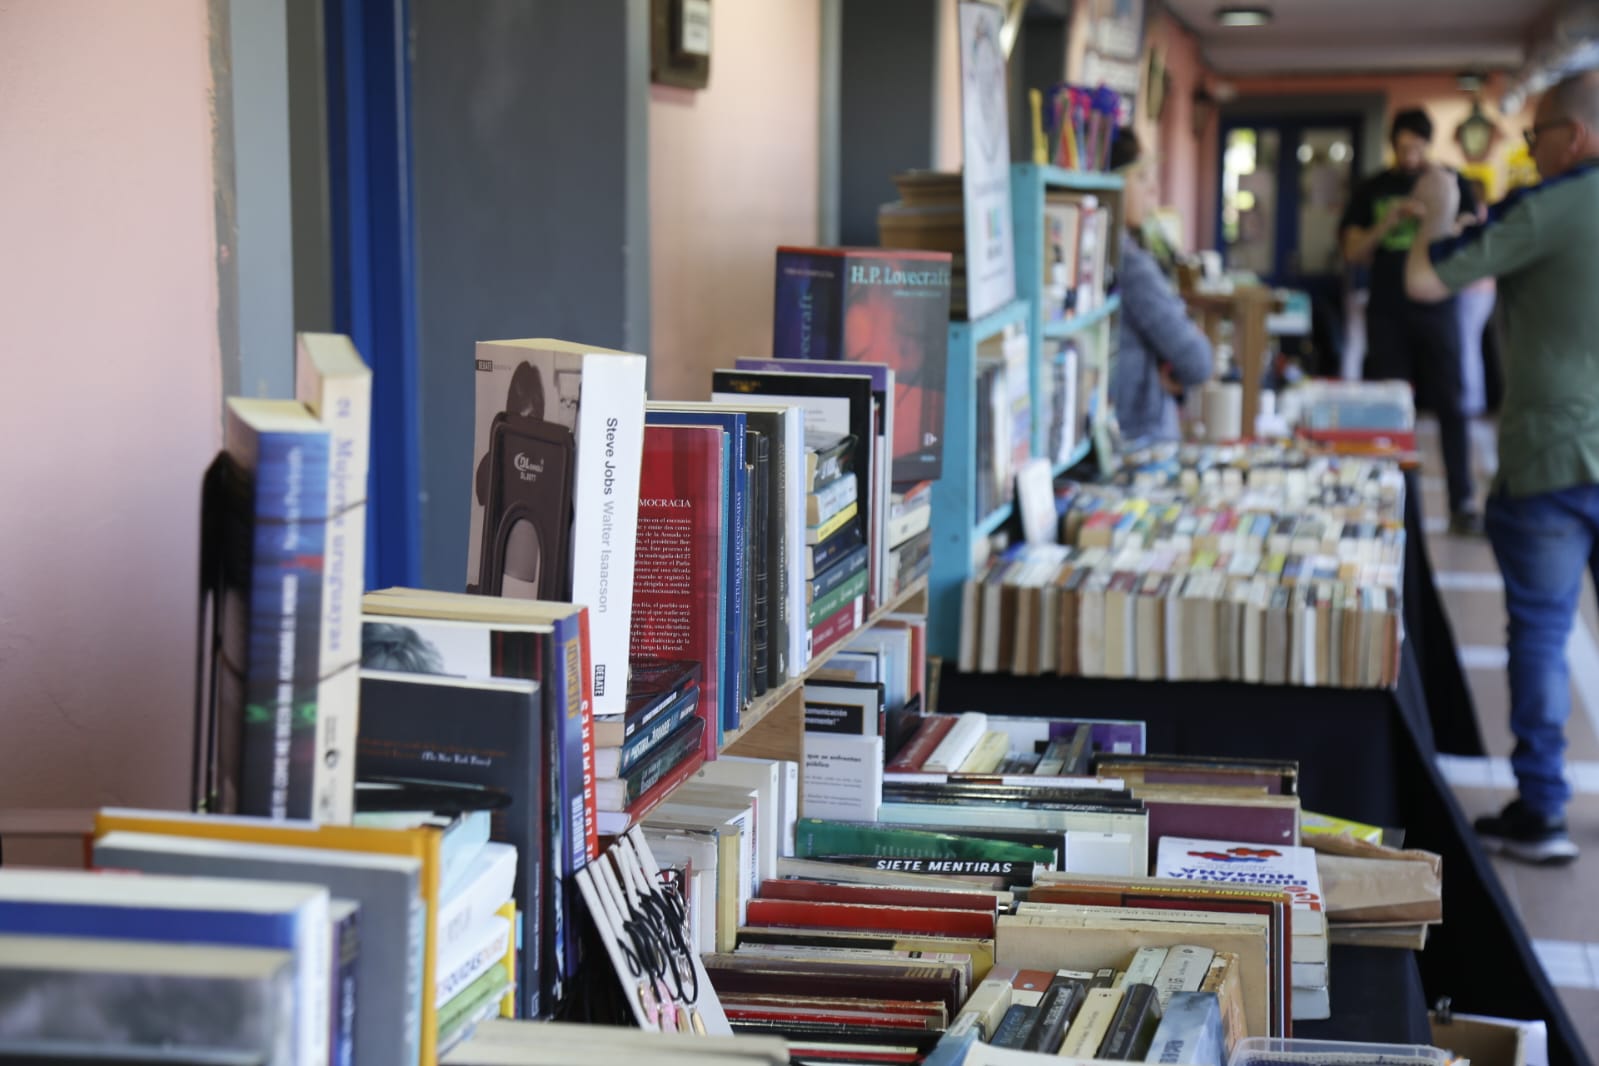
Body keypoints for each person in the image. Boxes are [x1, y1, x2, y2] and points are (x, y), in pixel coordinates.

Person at [1406, 70, 1599, 865]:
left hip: (1552, 454)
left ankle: (1543, 811)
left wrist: (1435, 209)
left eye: (1536, 133)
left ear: (1574, 137)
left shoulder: (1550, 205)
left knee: (1543, 632)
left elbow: (1427, 277)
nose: (1529, 148)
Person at [1340, 108, 1482, 533]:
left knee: (1452, 404)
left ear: (1428, 144)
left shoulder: (1449, 182)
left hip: (1438, 307)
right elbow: (1352, 250)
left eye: (1418, 148)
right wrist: (1389, 221)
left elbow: (1475, 236)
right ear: (1393, 145)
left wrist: (1441, 221)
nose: (1411, 156)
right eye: (1404, 148)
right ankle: (1393, 502)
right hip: (1389, 310)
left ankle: (1462, 502)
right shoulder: (1373, 189)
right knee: (1391, 407)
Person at [1108, 129, 1213, 445]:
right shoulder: (1131, 264)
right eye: (1141, 178)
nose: (1153, 190)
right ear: (1113, 183)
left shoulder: (1109, 253)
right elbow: (1198, 361)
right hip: (1142, 436)